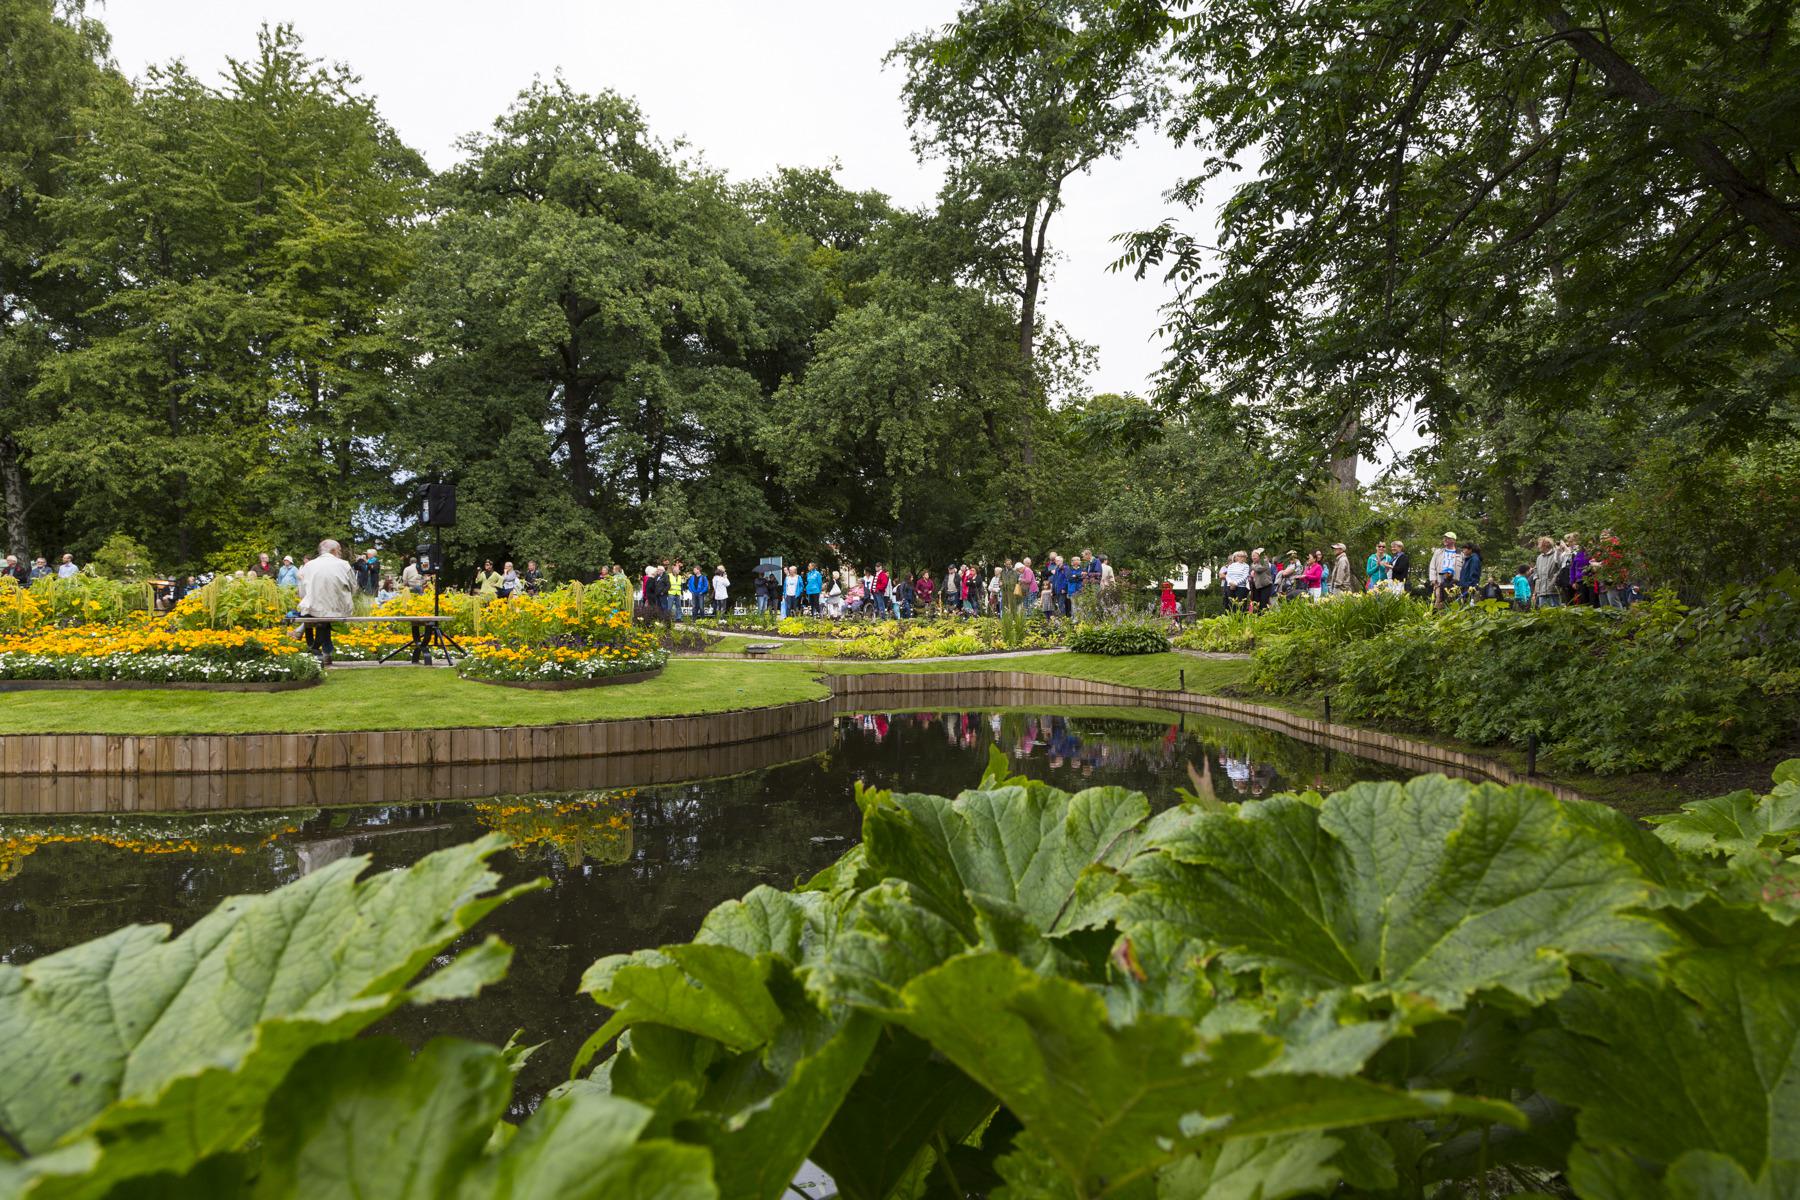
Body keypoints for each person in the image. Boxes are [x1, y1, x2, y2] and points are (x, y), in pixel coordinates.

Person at [296, 539, 356, 666]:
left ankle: (316, 649)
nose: (340, 552)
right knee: (325, 617)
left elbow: (302, 590)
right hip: (338, 609)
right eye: (339, 550)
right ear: (333, 551)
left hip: (313, 608)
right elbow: (354, 587)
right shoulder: (344, 564)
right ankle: (323, 652)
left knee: (317, 615)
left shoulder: (308, 565)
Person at [1532, 537, 1562, 608]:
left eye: (1539, 544)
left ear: (1545, 544)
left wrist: (1554, 581)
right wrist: (1536, 589)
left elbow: (1561, 569)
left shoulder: (1556, 554)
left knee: (1556, 612)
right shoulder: (1539, 558)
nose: (1538, 547)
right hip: (1541, 591)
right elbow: (1536, 572)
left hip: (1554, 590)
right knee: (1544, 613)